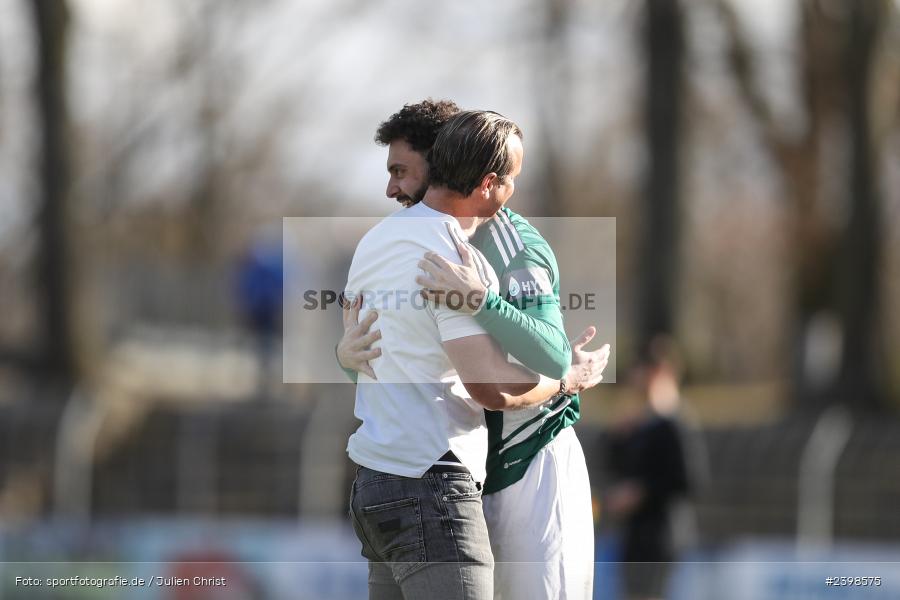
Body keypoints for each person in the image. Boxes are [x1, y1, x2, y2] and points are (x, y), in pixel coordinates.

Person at [340, 100, 609, 599]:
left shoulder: (492, 244)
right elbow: (496, 381)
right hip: (440, 476)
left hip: (516, 463)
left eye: (401, 171)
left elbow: (543, 354)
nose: (391, 188)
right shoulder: (439, 245)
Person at [604, 339, 692, 600]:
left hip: (661, 538)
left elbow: (686, 479)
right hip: (634, 537)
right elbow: (615, 464)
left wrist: (641, 492)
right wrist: (619, 437)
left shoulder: (674, 424)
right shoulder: (640, 423)